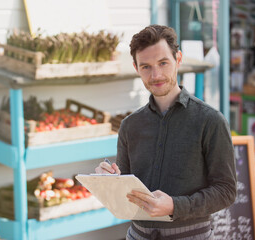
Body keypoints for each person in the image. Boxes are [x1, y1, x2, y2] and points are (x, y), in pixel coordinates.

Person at [95, 24, 237, 240]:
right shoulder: (129, 126)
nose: (156, 74)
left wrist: (175, 205)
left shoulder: (210, 121)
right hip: (138, 235)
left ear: (178, 59)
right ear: (136, 68)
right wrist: (110, 181)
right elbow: (126, 187)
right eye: (146, 67)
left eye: (163, 63)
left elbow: (226, 191)